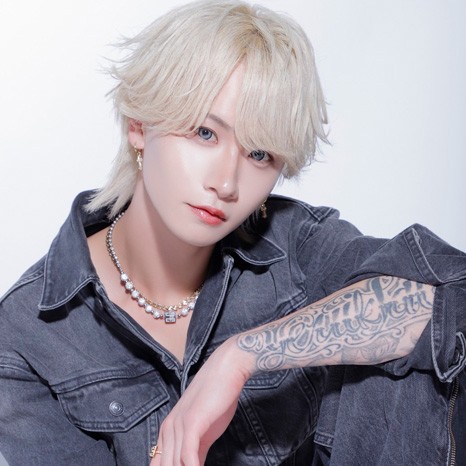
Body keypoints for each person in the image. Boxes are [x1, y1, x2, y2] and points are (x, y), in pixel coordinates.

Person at [0, 1, 464, 465]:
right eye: (205, 133)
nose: (226, 184)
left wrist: (242, 356)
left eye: (259, 154)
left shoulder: (294, 247)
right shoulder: (28, 334)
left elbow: (449, 302)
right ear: (139, 125)